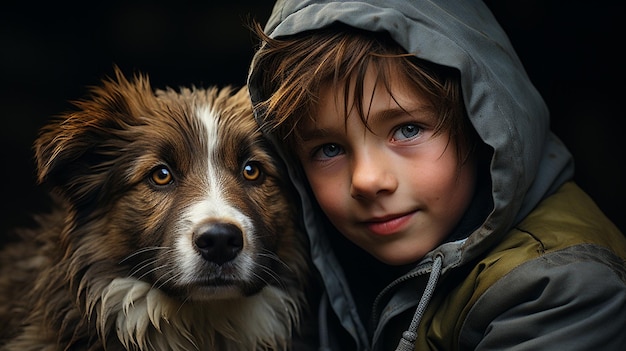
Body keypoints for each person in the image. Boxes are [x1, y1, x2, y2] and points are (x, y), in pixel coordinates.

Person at [246, 1, 626, 350]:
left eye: (407, 130)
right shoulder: (335, 265)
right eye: (328, 150)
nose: (366, 180)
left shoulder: (560, 289)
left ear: (479, 127)